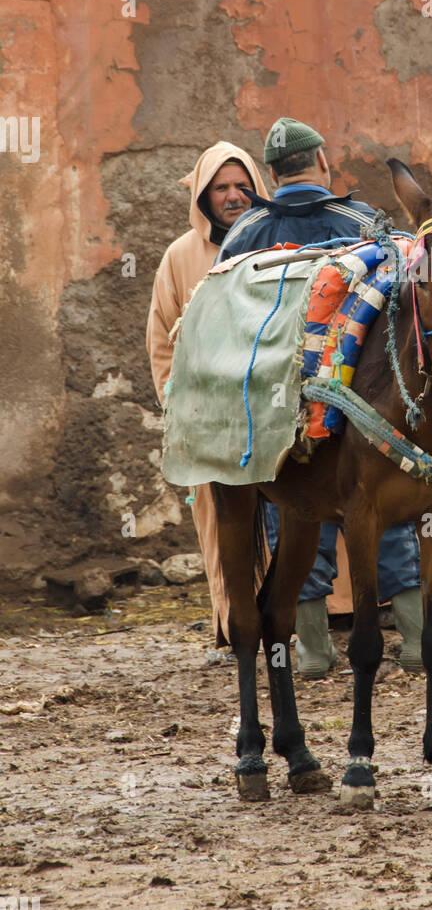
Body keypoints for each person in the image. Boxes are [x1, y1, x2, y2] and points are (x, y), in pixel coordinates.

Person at [221, 116, 432, 678]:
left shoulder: (243, 231)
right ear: (323, 164)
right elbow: (401, 311)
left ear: (271, 174)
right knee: (395, 521)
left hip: (279, 413)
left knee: (292, 520)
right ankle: (414, 638)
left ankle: (309, 648)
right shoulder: (362, 223)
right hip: (359, 408)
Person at [146, 141, 269, 646]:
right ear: (203, 196)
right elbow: (162, 341)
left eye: (243, 186)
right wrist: (184, 413)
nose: (234, 196)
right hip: (215, 424)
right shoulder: (180, 257)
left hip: (274, 414)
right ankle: (237, 625)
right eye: (222, 188)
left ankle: (322, 617)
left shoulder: (276, 240)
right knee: (224, 526)